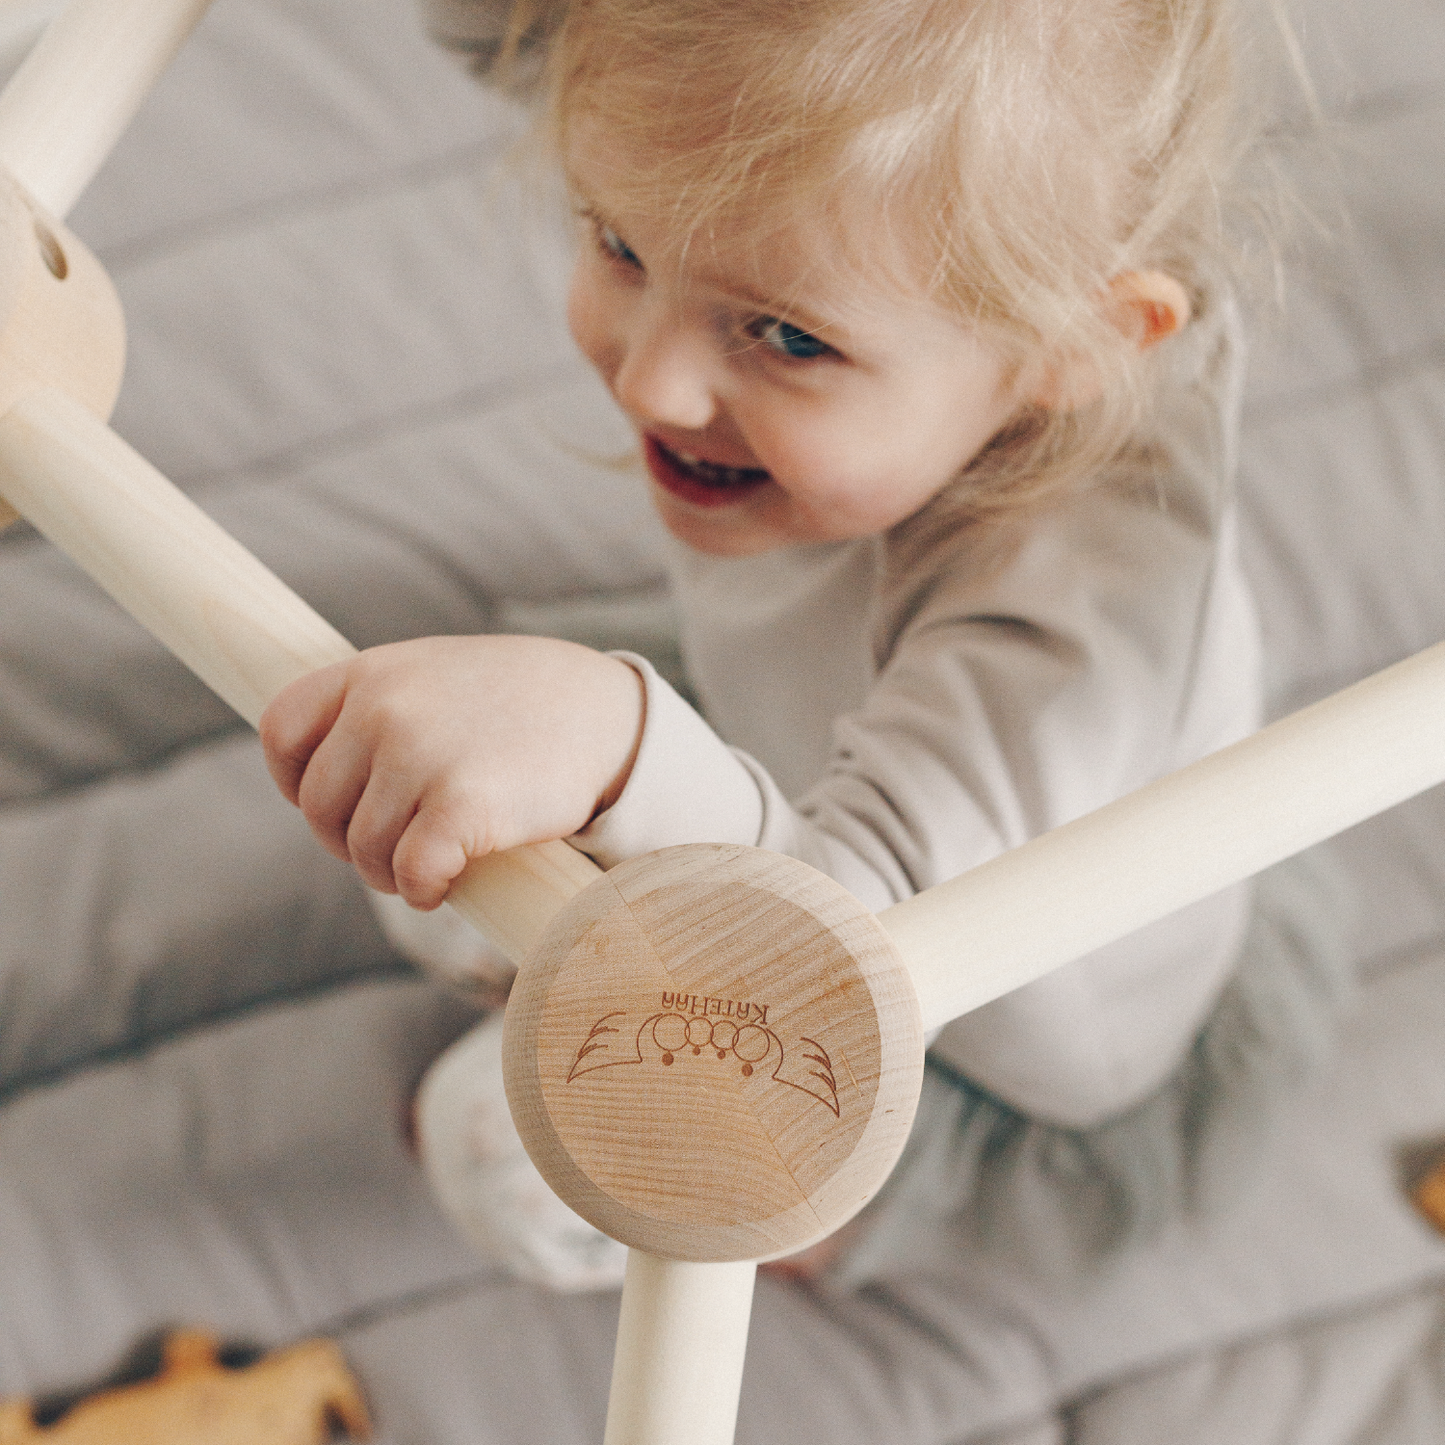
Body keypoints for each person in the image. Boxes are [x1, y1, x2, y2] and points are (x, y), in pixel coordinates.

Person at [259, 0, 1326, 1290]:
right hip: (819, 732)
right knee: (436, 800)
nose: (651, 381)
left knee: (491, 1144)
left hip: (974, 1028)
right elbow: (531, 35)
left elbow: (833, 942)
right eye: (620, 243)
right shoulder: (947, 265)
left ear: (1070, 353)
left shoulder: (1078, 647)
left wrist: (618, 752)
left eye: (790, 336)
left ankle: (830, 1230)